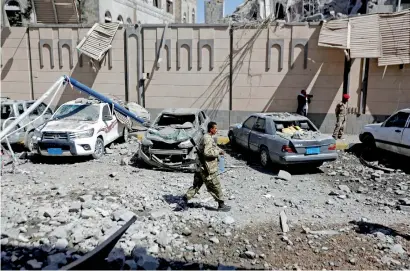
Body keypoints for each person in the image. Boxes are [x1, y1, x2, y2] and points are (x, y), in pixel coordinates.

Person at [182, 121, 231, 212]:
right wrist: (218, 153)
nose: (216, 130)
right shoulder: (208, 139)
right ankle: (221, 205)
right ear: (211, 129)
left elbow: (213, 147)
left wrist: (220, 150)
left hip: (200, 166)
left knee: (196, 185)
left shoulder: (207, 137)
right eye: (215, 128)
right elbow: (207, 152)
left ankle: (184, 199)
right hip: (207, 168)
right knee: (215, 185)